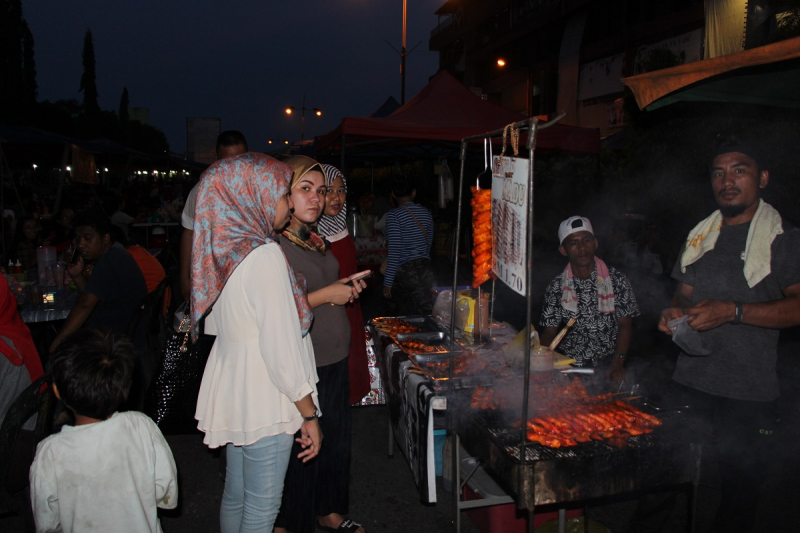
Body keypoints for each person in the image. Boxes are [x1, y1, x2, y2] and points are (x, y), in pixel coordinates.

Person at [629, 139, 800, 533]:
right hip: (689, 382)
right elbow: (683, 293)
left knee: (739, 495)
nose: (728, 181)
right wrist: (672, 311)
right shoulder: (701, 235)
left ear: (763, 178)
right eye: (719, 173)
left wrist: (734, 311)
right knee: (659, 479)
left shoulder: (784, 238)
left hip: (749, 393)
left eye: (739, 170)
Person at [190, 152, 321, 533]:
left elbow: (217, 323)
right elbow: (281, 350)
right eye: (281, 195)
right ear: (252, 196)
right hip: (265, 396)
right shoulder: (263, 255)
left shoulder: (226, 251)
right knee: (262, 510)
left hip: (234, 386)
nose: (284, 205)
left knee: (237, 493)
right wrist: (309, 414)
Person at [276, 155, 367, 533]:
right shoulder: (276, 245)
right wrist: (330, 293)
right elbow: (276, 309)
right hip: (305, 360)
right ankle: (293, 520)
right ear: (285, 194)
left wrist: (345, 287)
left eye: (322, 190)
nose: (317, 198)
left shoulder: (314, 238)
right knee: (305, 445)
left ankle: (329, 510)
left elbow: (321, 286)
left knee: (334, 442)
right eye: (306, 189)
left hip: (334, 355)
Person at [29, 328, 178, 533]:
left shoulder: (50, 453)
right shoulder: (141, 426)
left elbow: (47, 523)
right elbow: (165, 491)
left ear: (57, 391)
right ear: (127, 385)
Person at [539, 216, 639, 384]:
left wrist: (618, 361)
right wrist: (540, 361)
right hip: (569, 365)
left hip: (609, 361)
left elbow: (625, 323)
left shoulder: (616, 280)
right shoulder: (557, 286)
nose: (582, 248)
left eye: (586, 240)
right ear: (563, 250)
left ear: (595, 243)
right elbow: (550, 331)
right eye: (573, 243)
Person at [49, 209, 147, 353]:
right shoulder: (115, 253)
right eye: (78, 239)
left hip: (115, 343)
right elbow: (92, 295)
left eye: (87, 238)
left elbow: (84, 305)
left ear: (105, 238)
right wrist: (77, 275)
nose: (81, 244)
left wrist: (57, 344)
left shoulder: (109, 262)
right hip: (121, 333)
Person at [317, 163, 371, 405]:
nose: (335, 198)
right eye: (328, 190)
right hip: (324, 315)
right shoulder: (312, 235)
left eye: (341, 191)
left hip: (350, 309)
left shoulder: (342, 226)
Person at [180, 130, 248, 301]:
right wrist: (184, 278)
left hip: (247, 276)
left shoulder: (258, 191)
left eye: (238, 160)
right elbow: (189, 233)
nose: (232, 167)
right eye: (226, 161)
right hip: (212, 280)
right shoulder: (201, 191)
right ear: (217, 158)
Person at [382, 175, 435, 316]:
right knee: (426, 313)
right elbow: (428, 242)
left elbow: (394, 251)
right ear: (414, 193)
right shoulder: (426, 213)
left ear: (393, 194)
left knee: (393, 315)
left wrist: (388, 282)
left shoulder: (394, 215)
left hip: (404, 272)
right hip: (424, 269)